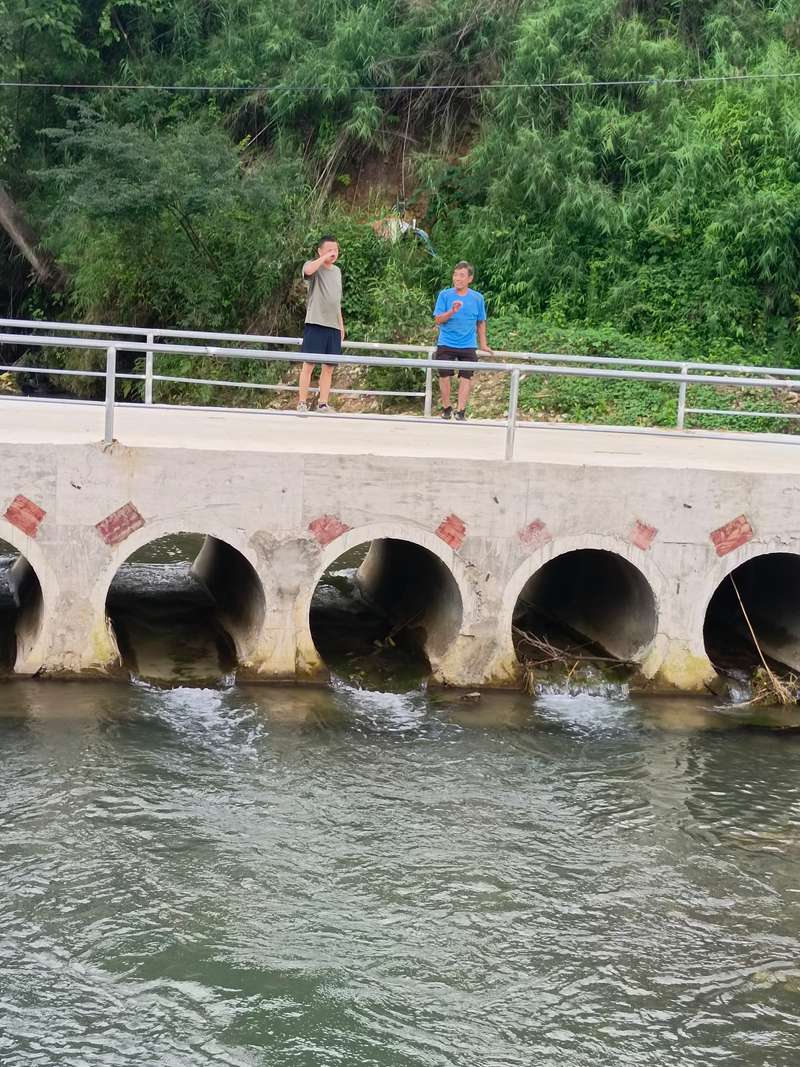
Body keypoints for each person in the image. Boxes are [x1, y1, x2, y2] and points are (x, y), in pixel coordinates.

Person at [433, 261, 493, 420]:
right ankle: (446, 408)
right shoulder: (444, 295)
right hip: (446, 342)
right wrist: (451, 311)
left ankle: (461, 411)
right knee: (444, 375)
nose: (457, 278)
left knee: (466, 377)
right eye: (455, 274)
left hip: (468, 344)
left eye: (462, 275)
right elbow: (438, 320)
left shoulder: (477, 298)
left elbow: (481, 322)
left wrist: (484, 344)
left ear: (469, 279)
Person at [297, 236, 345, 413]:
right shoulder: (313, 265)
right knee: (308, 364)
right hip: (316, 321)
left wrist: (341, 324)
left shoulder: (337, 271)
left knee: (329, 367)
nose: (334, 253)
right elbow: (308, 271)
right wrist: (322, 259)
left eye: (336, 250)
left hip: (333, 325)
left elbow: (336, 301)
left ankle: (323, 403)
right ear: (320, 251)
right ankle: (302, 402)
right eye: (330, 249)